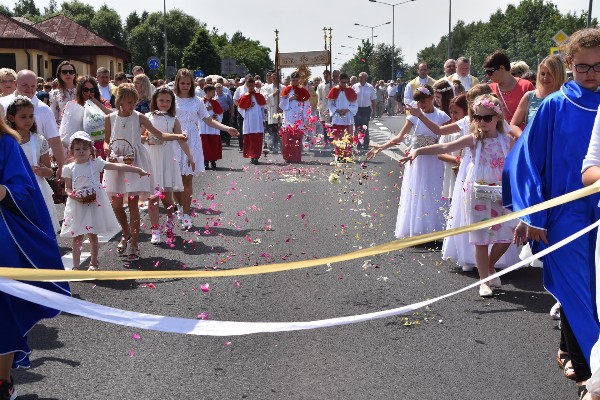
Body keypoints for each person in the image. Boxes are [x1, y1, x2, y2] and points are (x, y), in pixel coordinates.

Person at [504, 28, 600, 400]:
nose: (591, 74)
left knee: (596, 293)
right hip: (566, 216)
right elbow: (527, 160)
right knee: (576, 292)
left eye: (599, 66)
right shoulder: (556, 105)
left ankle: (576, 354)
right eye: (583, 66)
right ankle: (593, 378)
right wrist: (534, 215)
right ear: (570, 65)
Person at [402, 94, 514, 298]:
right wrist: (418, 151)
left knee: (507, 234)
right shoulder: (473, 139)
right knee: (480, 238)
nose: (481, 122)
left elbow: (518, 164)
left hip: (500, 190)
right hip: (477, 190)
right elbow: (445, 146)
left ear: (498, 118)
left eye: (487, 118)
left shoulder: (507, 140)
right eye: (477, 117)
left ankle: (489, 266)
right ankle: (483, 281)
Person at [0, 115, 71, 399]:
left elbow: (25, 191)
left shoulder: (6, 144)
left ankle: (2, 380)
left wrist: (3, 191)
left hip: (2, 242)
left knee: (3, 311)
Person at [62, 131, 149, 269]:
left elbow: (117, 166)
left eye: (85, 148)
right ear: (71, 151)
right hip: (77, 204)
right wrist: (72, 195)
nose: (81, 151)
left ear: (91, 150)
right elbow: (67, 188)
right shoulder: (69, 168)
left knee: (92, 234)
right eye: (77, 149)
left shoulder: (96, 163)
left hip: (93, 203)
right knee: (77, 236)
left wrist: (137, 169)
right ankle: (76, 266)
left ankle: (94, 262)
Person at [173, 69, 239, 228]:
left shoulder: (197, 101)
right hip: (174, 139)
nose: (185, 86)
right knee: (175, 180)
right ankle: (180, 208)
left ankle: (187, 214)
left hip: (192, 139)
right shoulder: (172, 99)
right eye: (182, 83)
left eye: (188, 83)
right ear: (177, 83)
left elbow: (208, 121)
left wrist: (227, 128)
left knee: (187, 178)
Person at [102, 83, 157, 262]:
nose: (132, 105)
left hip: (135, 162)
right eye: (128, 102)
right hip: (116, 163)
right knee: (116, 204)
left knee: (133, 204)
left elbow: (157, 133)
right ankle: (126, 233)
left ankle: (134, 244)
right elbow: (106, 142)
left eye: (134, 102)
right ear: (119, 101)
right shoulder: (110, 118)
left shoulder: (139, 117)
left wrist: (177, 136)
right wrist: (109, 152)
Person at [144, 86, 194, 244]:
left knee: (166, 198)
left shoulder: (174, 120)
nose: (164, 103)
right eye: (161, 100)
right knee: (152, 198)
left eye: (167, 101)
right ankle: (155, 230)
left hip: (166, 159)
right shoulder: (146, 117)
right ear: (155, 101)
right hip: (151, 159)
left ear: (172, 103)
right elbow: (138, 136)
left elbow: (181, 139)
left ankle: (171, 219)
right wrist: (146, 139)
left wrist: (190, 156)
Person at [5, 96, 60, 233]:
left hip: (39, 190)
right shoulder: (7, 141)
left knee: (43, 228)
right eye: (23, 117)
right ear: (12, 118)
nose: (28, 120)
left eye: (30, 116)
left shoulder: (39, 140)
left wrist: (43, 171)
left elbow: (49, 171)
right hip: (16, 191)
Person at [1, 70, 65, 180]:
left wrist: (61, 166)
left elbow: (54, 139)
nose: (29, 89)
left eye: (32, 86)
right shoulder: (2, 104)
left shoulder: (44, 110)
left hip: (36, 170)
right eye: (25, 85)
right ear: (15, 84)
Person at [509, 55, 566, 137]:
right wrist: (524, 138)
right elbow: (513, 125)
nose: (545, 78)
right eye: (542, 74)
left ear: (558, 74)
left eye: (550, 74)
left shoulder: (568, 98)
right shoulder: (530, 96)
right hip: (533, 148)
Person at [59, 76, 113, 159]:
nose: (89, 93)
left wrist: (97, 103)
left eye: (92, 90)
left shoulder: (103, 102)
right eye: (85, 90)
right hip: (80, 149)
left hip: (100, 146)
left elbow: (113, 116)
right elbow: (65, 128)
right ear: (80, 91)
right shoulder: (73, 105)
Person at [483, 51, 535, 125]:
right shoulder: (489, 89)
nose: (488, 76)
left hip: (522, 134)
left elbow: (535, 114)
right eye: (486, 72)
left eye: (490, 72)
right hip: (500, 136)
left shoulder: (526, 86)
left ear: (502, 68)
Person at [327, 73, 358, 162]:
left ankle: (347, 155)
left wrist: (347, 110)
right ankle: (339, 155)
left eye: (345, 82)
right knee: (338, 137)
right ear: (339, 81)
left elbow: (354, 104)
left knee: (347, 136)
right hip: (337, 116)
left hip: (347, 116)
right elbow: (331, 104)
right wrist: (337, 110)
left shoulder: (350, 90)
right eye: (342, 82)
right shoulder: (334, 90)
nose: (343, 84)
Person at [237, 77, 266, 165]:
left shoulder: (259, 96)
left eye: (252, 85)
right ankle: (251, 155)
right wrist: (248, 106)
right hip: (249, 120)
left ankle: (256, 156)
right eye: (249, 85)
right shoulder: (244, 96)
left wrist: (263, 117)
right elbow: (240, 108)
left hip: (257, 121)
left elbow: (262, 108)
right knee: (250, 138)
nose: (251, 87)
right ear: (246, 85)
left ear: (254, 85)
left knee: (257, 138)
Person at [199, 84, 224, 170]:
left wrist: (217, 117)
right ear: (208, 92)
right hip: (204, 126)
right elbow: (198, 114)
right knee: (205, 145)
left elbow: (220, 113)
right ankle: (205, 161)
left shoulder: (215, 102)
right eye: (213, 92)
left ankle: (213, 160)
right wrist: (208, 110)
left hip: (214, 127)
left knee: (213, 143)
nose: (214, 93)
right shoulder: (201, 102)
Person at [352, 72, 377, 150]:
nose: (359, 78)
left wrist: (374, 111)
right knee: (357, 127)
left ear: (365, 78)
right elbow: (351, 99)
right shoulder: (354, 86)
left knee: (365, 127)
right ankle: (359, 144)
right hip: (357, 109)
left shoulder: (370, 87)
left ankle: (366, 144)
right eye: (359, 77)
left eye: (361, 77)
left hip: (366, 109)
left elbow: (373, 100)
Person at [261, 72, 284, 153]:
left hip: (281, 110)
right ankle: (274, 147)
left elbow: (285, 100)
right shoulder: (267, 88)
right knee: (273, 129)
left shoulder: (283, 87)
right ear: (271, 78)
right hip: (272, 110)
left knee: (280, 129)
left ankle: (281, 147)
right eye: (273, 78)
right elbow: (264, 99)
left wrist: (282, 108)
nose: (275, 80)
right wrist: (273, 94)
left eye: (276, 78)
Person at [50, 60, 77, 126]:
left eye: (71, 72)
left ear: (74, 74)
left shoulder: (82, 91)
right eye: (64, 72)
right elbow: (54, 115)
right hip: (63, 128)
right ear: (59, 75)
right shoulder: (54, 94)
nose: (68, 74)